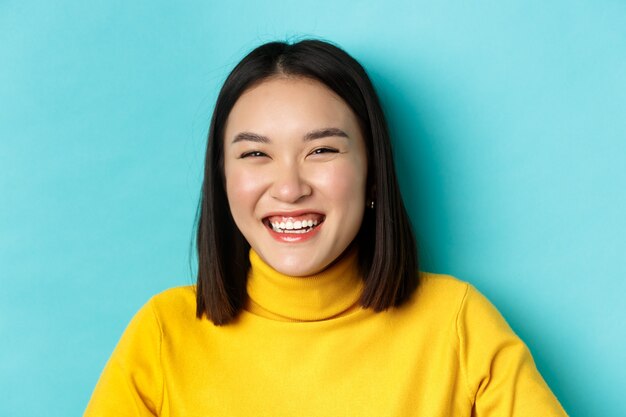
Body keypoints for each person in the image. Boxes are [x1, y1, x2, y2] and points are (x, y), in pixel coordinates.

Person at [84, 39, 568, 416]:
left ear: (373, 173)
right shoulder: (162, 334)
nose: (289, 188)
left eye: (322, 150)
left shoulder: (458, 327)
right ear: (222, 180)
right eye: (255, 154)